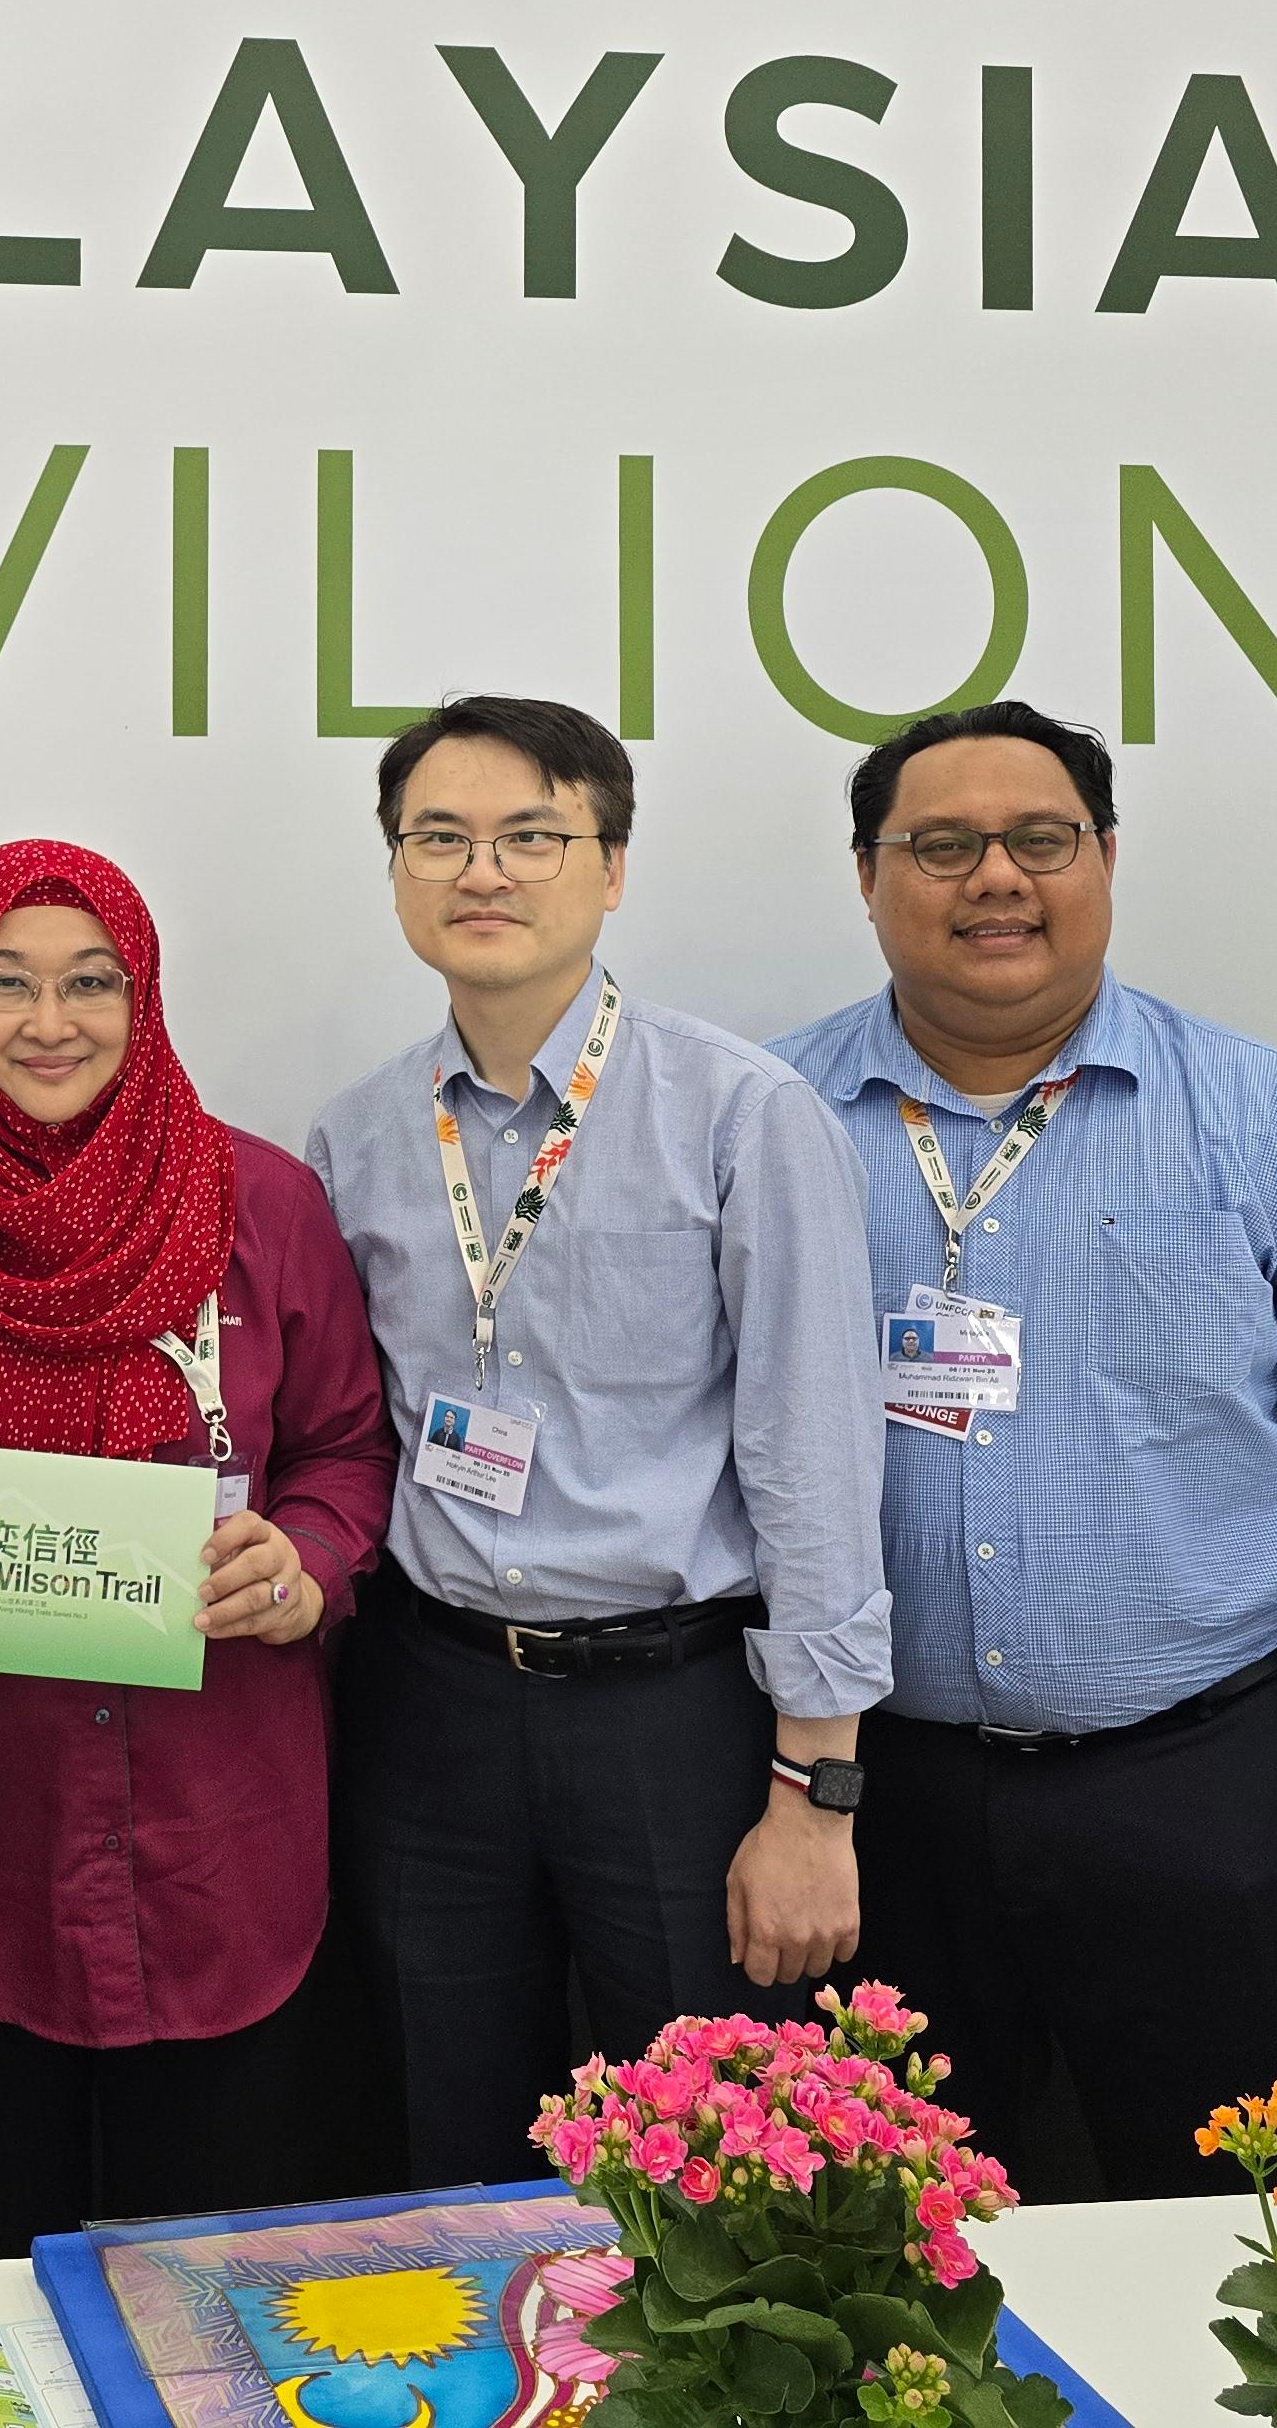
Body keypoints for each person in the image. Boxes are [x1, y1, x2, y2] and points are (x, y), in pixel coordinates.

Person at [767, 700, 1277, 2198]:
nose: (997, 876)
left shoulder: (1272, 1126)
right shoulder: (763, 1122)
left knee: (1262, 2267)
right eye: (941, 844)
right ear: (867, 877)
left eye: (1041, 840)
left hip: (1216, 1801)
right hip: (876, 1812)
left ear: (1104, 859)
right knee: (876, 2276)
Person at [0, 840, 393, 2260]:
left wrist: (304, 1561)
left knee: (215, 2282)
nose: (53, 1022)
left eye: (93, 982)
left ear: (144, 997)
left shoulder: (263, 1205)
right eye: (7, 983)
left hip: (218, 1829)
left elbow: (347, 1450)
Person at [303, 697, 892, 2186]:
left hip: (671, 1715)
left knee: (707, 2161)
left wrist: (815, 1795)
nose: (480, 871)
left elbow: (815, 1462)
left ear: (610, 869)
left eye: (530, 837)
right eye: (438, 839)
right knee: (448, 2136)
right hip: (430, 1705)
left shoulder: (740, 1115)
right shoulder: (359, 1137)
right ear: (394, 874)